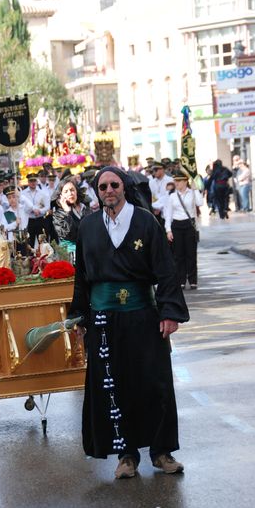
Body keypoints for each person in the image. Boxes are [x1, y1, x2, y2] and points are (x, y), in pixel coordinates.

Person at [68, 166, 189, 479]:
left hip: (143, 316)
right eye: (103, 186)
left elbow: (165, 269)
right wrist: (79, 315)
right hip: (104, 320)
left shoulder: (146, 221)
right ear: (97, 191)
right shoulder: (89, 225)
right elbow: (81, 274)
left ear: (124, 187)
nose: (109, 190)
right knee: (115, 386)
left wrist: (169, 312)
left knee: (155, 383)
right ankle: (126, 456)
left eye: (114, 185)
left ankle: (162, 452)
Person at [164, 173, 203, 290]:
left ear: (185, 182)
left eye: (179, 181)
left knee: (191, 254)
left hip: (189, 224)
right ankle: (181, 280)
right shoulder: (172, 196)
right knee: (178, 255)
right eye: (175, 181)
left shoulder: (192, 193)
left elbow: (200, 203)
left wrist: (195, 190)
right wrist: (168, 230)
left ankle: (192, 280)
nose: (176, 183)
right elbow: (168, 215)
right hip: (176, 225)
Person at [52, 178, 91, 261]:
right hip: (71, 256)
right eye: (66, 191)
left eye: (72, 190)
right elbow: (70, 235)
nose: (70, 193)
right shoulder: (58, 215)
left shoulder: (86, 209)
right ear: (61, 196)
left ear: (76, 191)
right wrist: (68, 212)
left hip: (89, 252)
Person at [21, 173, 50, 249]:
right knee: (29, 243)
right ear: (28, 182)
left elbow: (47, 206)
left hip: (40, 220)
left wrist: (40, 211)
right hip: (29, 220)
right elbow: (21, 207)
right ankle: (30, 259)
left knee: (43, 242)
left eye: (34, 181)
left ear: (37, 182)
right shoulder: (23, 193)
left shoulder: (42, 193)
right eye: (31, 181)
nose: (33, 183)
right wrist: (32, 209)